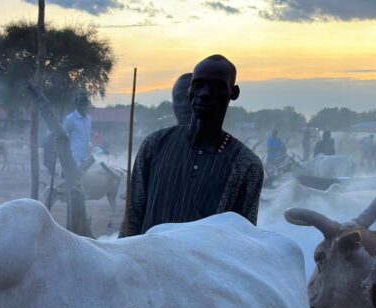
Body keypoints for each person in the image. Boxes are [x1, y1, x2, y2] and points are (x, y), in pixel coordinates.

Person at [120, 54, 264, 238]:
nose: (204, 93)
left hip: (205, 267)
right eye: (198, 84)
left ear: (233, 93)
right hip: (145, 264)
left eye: (217, 86)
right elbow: (133, 216)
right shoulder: (154, 145)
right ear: (190, 90)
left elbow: (242, 240)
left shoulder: (247, 166)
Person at [62, 92, 92, 169]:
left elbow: (87, 136)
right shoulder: (70, 119)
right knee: (75, 178)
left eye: (85, 102)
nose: (83, 105)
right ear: (76, 104)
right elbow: (64, 137)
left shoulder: (88, 119)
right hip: (75, 156)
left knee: (84, 179)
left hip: (85, 156)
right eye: (81, 102)